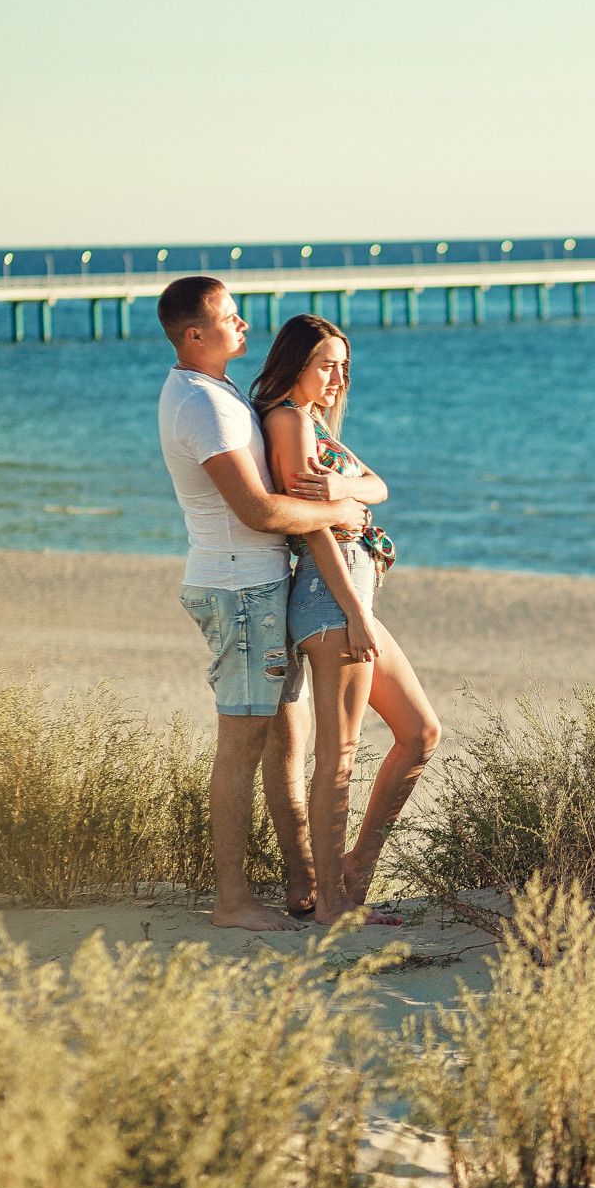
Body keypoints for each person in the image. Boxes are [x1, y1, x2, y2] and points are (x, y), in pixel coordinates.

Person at [156, 276, 367, 931]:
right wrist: (340, 508)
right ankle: (232, 900)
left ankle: (301, 884)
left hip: (253, 584)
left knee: (281, 744)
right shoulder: (202, 405)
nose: (245, 325)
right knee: (241, 746)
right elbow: (256, 508)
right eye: (231, 317)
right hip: (240, 589)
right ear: (196, 333)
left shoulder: (214, 394)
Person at [251, 314, 440, 926]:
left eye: (343, 366)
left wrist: (343, 487)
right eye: (326, 364)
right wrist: (356, 612)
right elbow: (317, 533)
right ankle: (333, 903)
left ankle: (352, 875)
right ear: (295, 363)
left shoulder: (311, 424)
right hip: (333, 600)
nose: (338, 376)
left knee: (418, 732)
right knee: (340, 753)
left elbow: (380, 486)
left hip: (350, 596)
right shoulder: (286, 419)